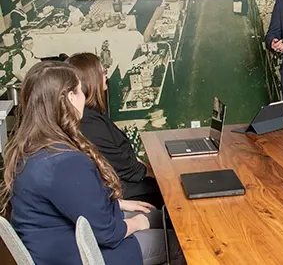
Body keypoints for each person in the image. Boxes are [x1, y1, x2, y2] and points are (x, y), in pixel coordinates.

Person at [0, 61, 185, 264]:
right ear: (70, 98)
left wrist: (118, 203)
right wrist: (138, 223)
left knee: (161, 217)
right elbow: (107, 233)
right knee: (179, 242)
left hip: (51, 247)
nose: (84, 98)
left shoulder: (27, 149)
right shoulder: (65, 162)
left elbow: (72, 199)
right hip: (83, 255)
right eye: (80, 91)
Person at [67, 52, 164, 210]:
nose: (106, 76)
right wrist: (162, 176)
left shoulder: (92, 116)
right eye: (103, 73)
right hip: (124, 190)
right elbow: (128, 168)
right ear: (91, 80)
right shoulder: (89, 123)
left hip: (123, 183)